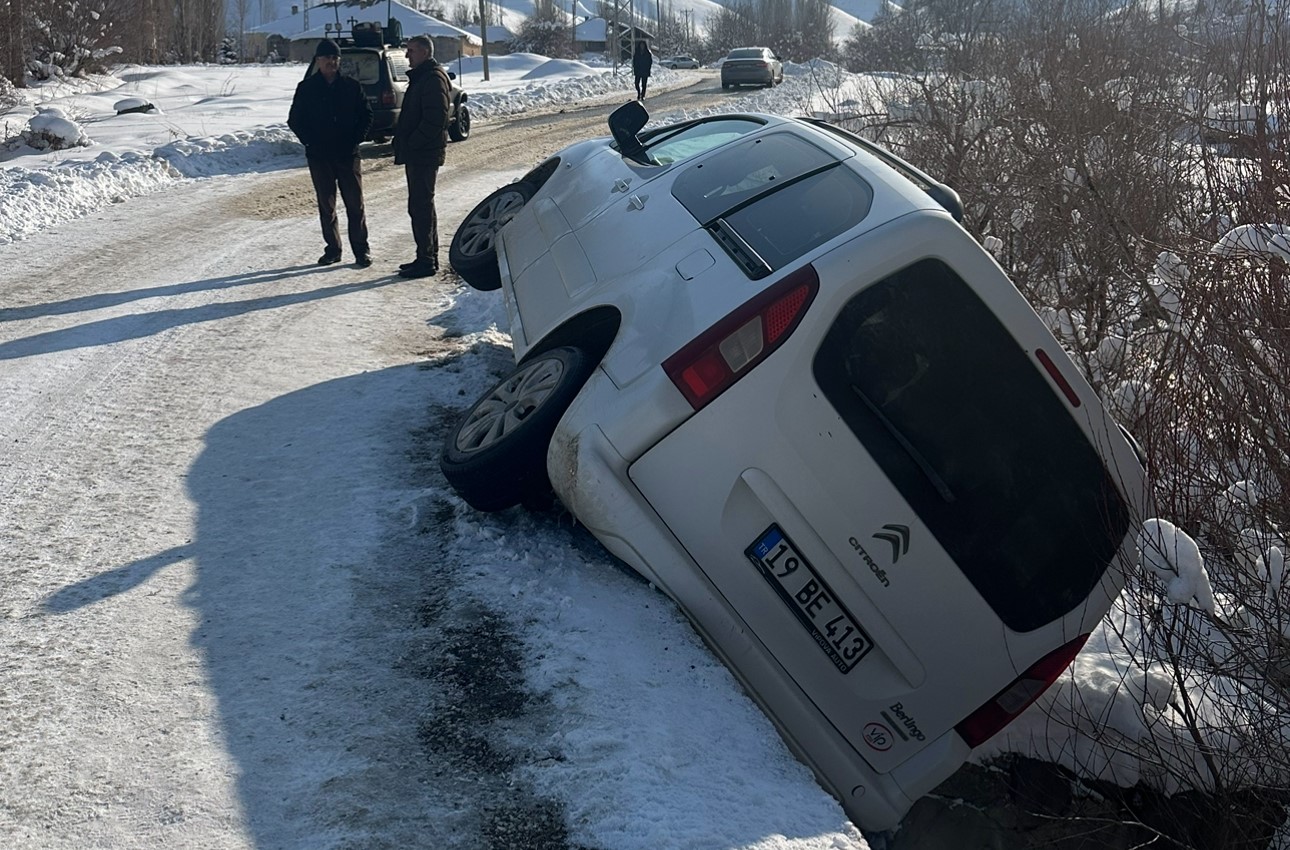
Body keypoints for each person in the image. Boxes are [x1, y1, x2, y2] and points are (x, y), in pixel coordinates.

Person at [287, 39, 373, 267]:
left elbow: (367, 115)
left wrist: (355, 139)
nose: (331, 62)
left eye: (335, 58)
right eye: (327, 58)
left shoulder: (351, 86)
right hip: (320, 158)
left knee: (355, 205)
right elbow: (295, 120)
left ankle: (361, 250)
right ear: (318, 61)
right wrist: (310, 143)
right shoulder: (306, 88)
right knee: (327, 206)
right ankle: (333, 249)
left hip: (348, 156)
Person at [393, 35, 451, 279]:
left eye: (412, 51)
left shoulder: (433, 79)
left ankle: (426, 260)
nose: (407, 56)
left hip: (424, 154)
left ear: (425, 52)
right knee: (420, 205)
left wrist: (412, 142)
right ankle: (426, 256)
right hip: (419, 153)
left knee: (421, 206)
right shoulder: (423, 77)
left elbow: (436, 120)